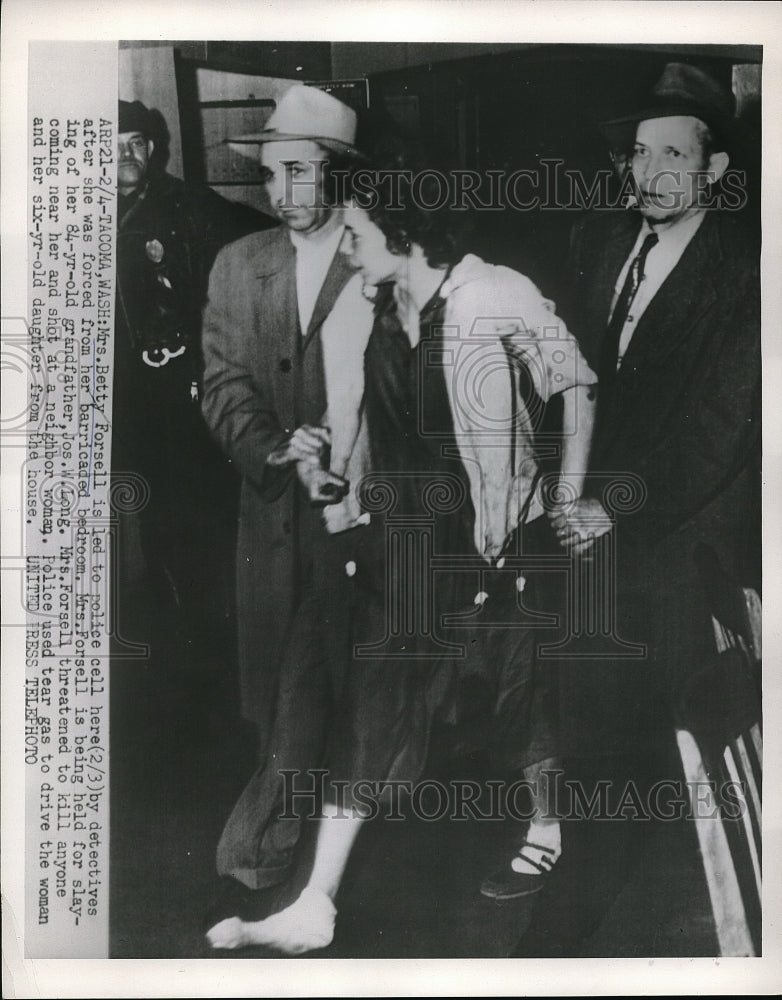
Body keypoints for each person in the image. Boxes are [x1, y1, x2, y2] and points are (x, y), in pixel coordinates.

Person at [206, 154, 598, 955]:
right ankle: (317, 904)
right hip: (411, 535)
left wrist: (566, 497)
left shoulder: (490, 293)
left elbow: (578, 382)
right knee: (373, 698)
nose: (346, 244)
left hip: (495, 534)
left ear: (404, 233)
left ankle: (549, 827)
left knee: (519, 695)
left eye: (357, 231)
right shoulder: (378, 302)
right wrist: (326, 466)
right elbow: (357, 411)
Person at [513, 63, 761, 956]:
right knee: (594, 724)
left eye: (672, 155)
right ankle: (579, 892)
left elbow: (724, 424)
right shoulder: (601, 242)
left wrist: (614, 506)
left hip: (675, 541)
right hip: (586, 533)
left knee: (685, 744)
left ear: (715, 171)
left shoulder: (745, 270)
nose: (647, 172)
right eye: (638, 154)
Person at [199, 86, 375, 922]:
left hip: (363, 511)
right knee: (280, 680)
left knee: (358, 678)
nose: (281, 191)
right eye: (272, 173)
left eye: (300, 171)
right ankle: (285, 831)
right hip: (273, 513)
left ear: (340, 174)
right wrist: (274, 448)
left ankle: (284, 841)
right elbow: (224, 383)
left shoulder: (380, 256)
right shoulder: (239, 264)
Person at [113, 99, 269, 657]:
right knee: (149, 508)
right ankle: (172, 630)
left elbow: (260, 235)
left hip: (184, 386)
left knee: (200, 505)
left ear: (153, 148)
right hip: (126, 395)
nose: (127, 156)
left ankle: (214, 632)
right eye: (114, 146)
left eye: (137, 143)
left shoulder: (186, 204)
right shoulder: (79, 212)